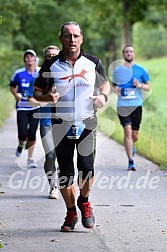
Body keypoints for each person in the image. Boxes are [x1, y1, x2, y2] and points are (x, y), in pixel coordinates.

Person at [33, 21, 110, 232]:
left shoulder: (93, 62)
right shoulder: (50, 65)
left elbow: (104, 84)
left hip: (87, 123)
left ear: (82, 38)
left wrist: (102, 97)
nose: (72, 40)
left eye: (76, 36)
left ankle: (84, 201)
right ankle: (70, 212)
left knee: (87, 168)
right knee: (66, 172)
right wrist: (48, 96)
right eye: (68, 36)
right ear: (61, 39)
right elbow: (36, 92)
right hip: (61, 125)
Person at [28, 45, 60, 199]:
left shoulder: (65, 76)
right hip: (46, 121)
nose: (51, 58)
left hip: (65, 122)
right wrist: (39, 101)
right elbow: (31, 98)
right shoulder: (38, 77)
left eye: (55, 55)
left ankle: (64, 183)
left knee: (64, 156)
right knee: (50, 155)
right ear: (45, 58)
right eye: (49, 56)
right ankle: (53, 186)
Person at [112, 45, 151, 171]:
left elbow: (148, 87)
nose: (129, 53)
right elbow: (113, 86)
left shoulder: (141, 70)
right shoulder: (117, 70)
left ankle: (132, 145)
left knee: (135, 135)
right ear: (123, 54)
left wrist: (139, 85)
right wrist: (116, 89)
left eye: (131, 51)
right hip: (123, 105)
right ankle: (131, 161)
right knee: (127, 131)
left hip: (136, 105)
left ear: (134, 54)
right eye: (126, 52)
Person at [9, 49, 40, 168]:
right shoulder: (19, 73)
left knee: (32, 134)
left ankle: (30, 159)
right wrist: (16, 95)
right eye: (26, 57)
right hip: (22, 107)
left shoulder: (40, 72)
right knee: (22, 134)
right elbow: (12, 86)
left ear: (35, 59)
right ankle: (21, 145)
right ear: (24, 59)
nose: (29, 59)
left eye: (31, 56)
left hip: (35, 107)